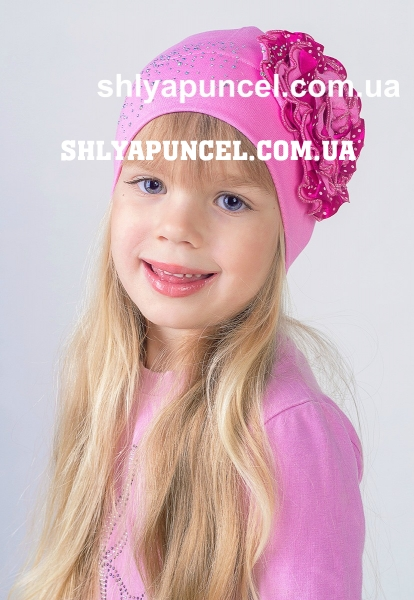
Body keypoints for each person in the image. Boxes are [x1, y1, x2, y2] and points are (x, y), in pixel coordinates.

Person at [11, 27, 366, 600]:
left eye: (231, 200)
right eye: (150, 183)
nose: (177, 228)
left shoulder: (284, 431)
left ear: (282, 234)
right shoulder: (110, 377)